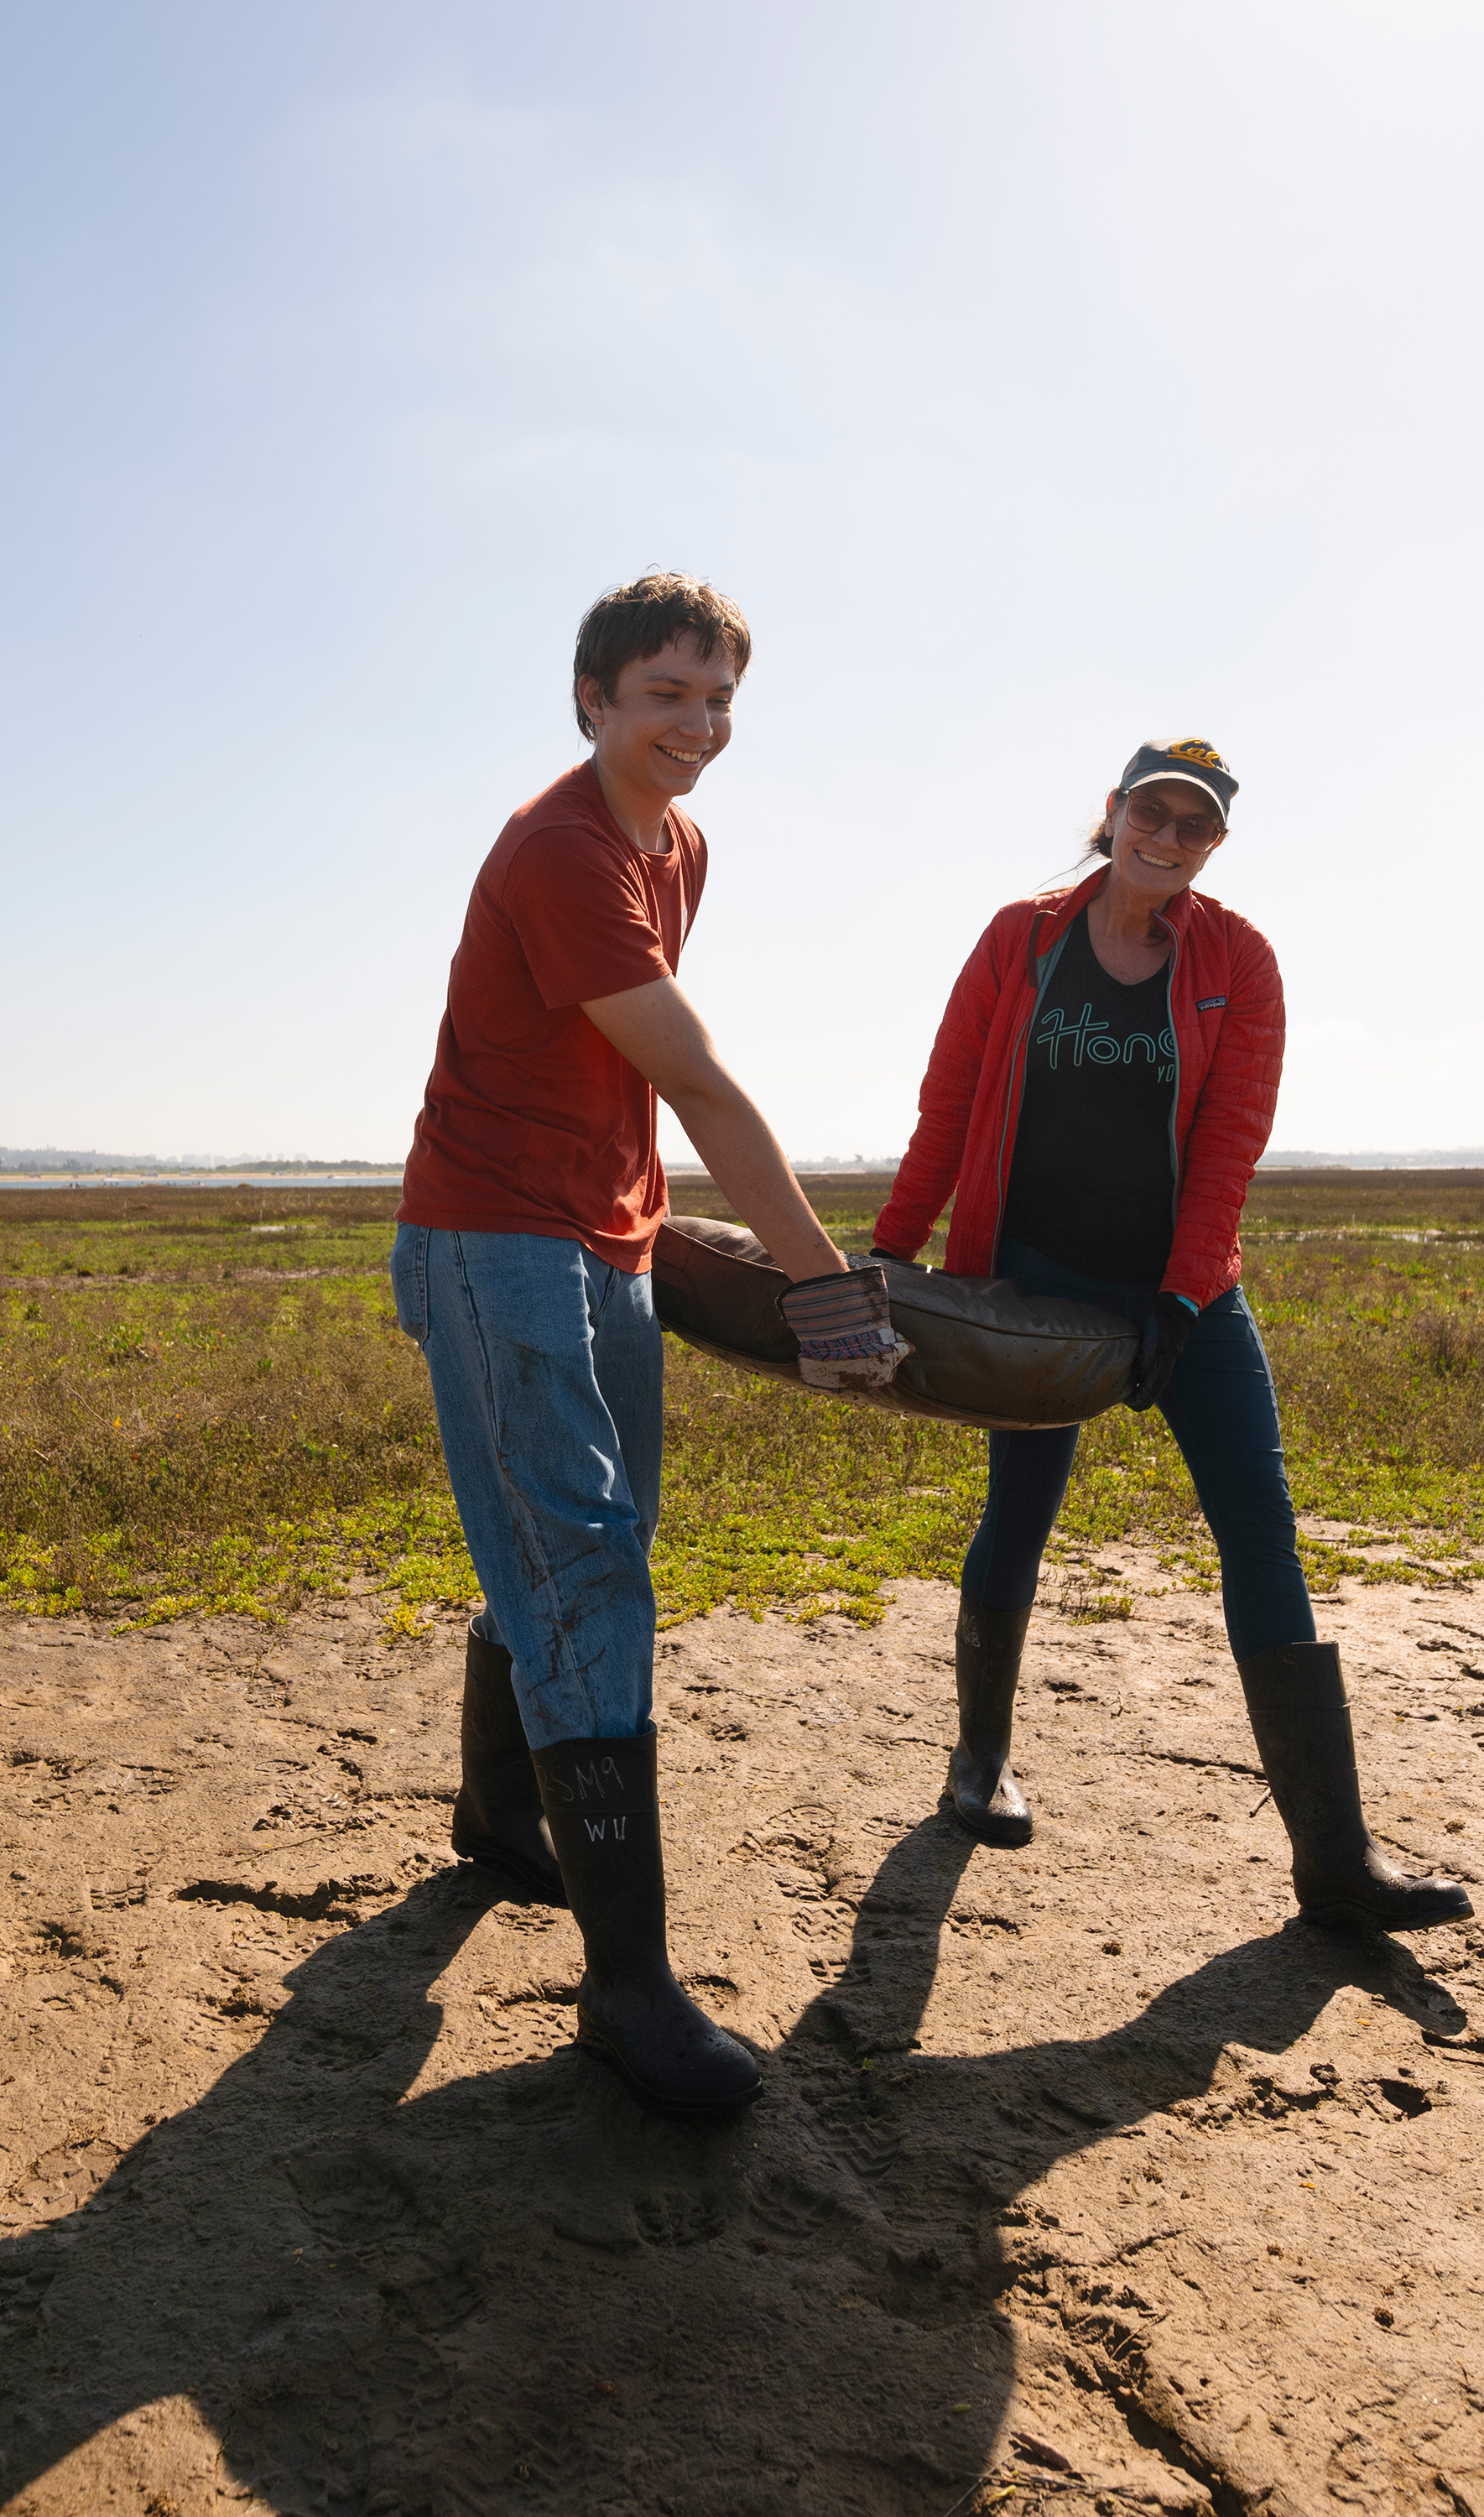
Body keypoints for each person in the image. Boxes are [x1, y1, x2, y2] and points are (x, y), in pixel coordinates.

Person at [391, 571, 897, 2118]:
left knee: (582, 1551)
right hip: (497, 1249)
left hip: (604, 1236)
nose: (698, 727)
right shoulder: (559, 852)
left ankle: (501, 1815)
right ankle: (629, 1994)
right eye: (666, 695)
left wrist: (659, 1227)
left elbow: (626, 1081)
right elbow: (701, 1081)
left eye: (719, 700)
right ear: (593, 701)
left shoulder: (677, 841)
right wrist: (825, 1286)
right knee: (587, 1567)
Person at [870, 740, 1472, 1934]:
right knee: (1020, 1513)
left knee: (1261, 1533)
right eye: (1153, 811)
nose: (1168, 836)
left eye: (1195, 826)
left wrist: (1186, 1297)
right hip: (1034, 1290)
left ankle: (1336, 1863)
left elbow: (1232, 1138)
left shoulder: (1236, 958)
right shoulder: (1020, 940)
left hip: (1182, 1296)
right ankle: (978, 1764)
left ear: (1214, 848)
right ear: (1112, 814)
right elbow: (951, 1102)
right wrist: (892, 1252)